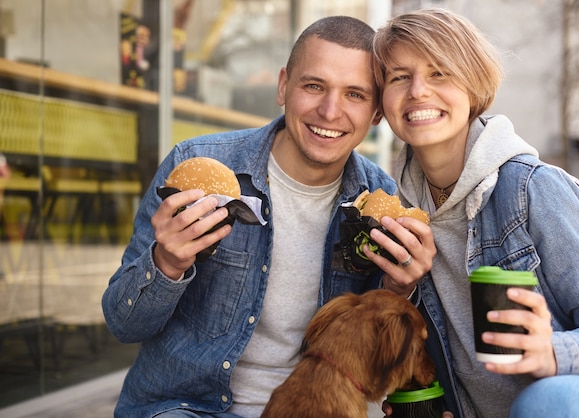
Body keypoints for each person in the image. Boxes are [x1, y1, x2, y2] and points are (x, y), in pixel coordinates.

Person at [102, 15, 436, 418]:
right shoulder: (197, 167)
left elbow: (381, 351)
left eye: (355, 94)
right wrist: (166, 264)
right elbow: (124, 325)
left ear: (377, 113)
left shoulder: (382, 206)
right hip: (185, 408)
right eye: (314, 86)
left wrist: (400, 289)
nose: (330, 111)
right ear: (283, 86)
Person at [368, 8, 579, 418]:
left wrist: (555, 352)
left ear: (473, 85)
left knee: (548, 402)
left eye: (439, 73)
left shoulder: (532, 189)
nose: (418, 90)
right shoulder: (390, 212)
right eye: (399, 77)